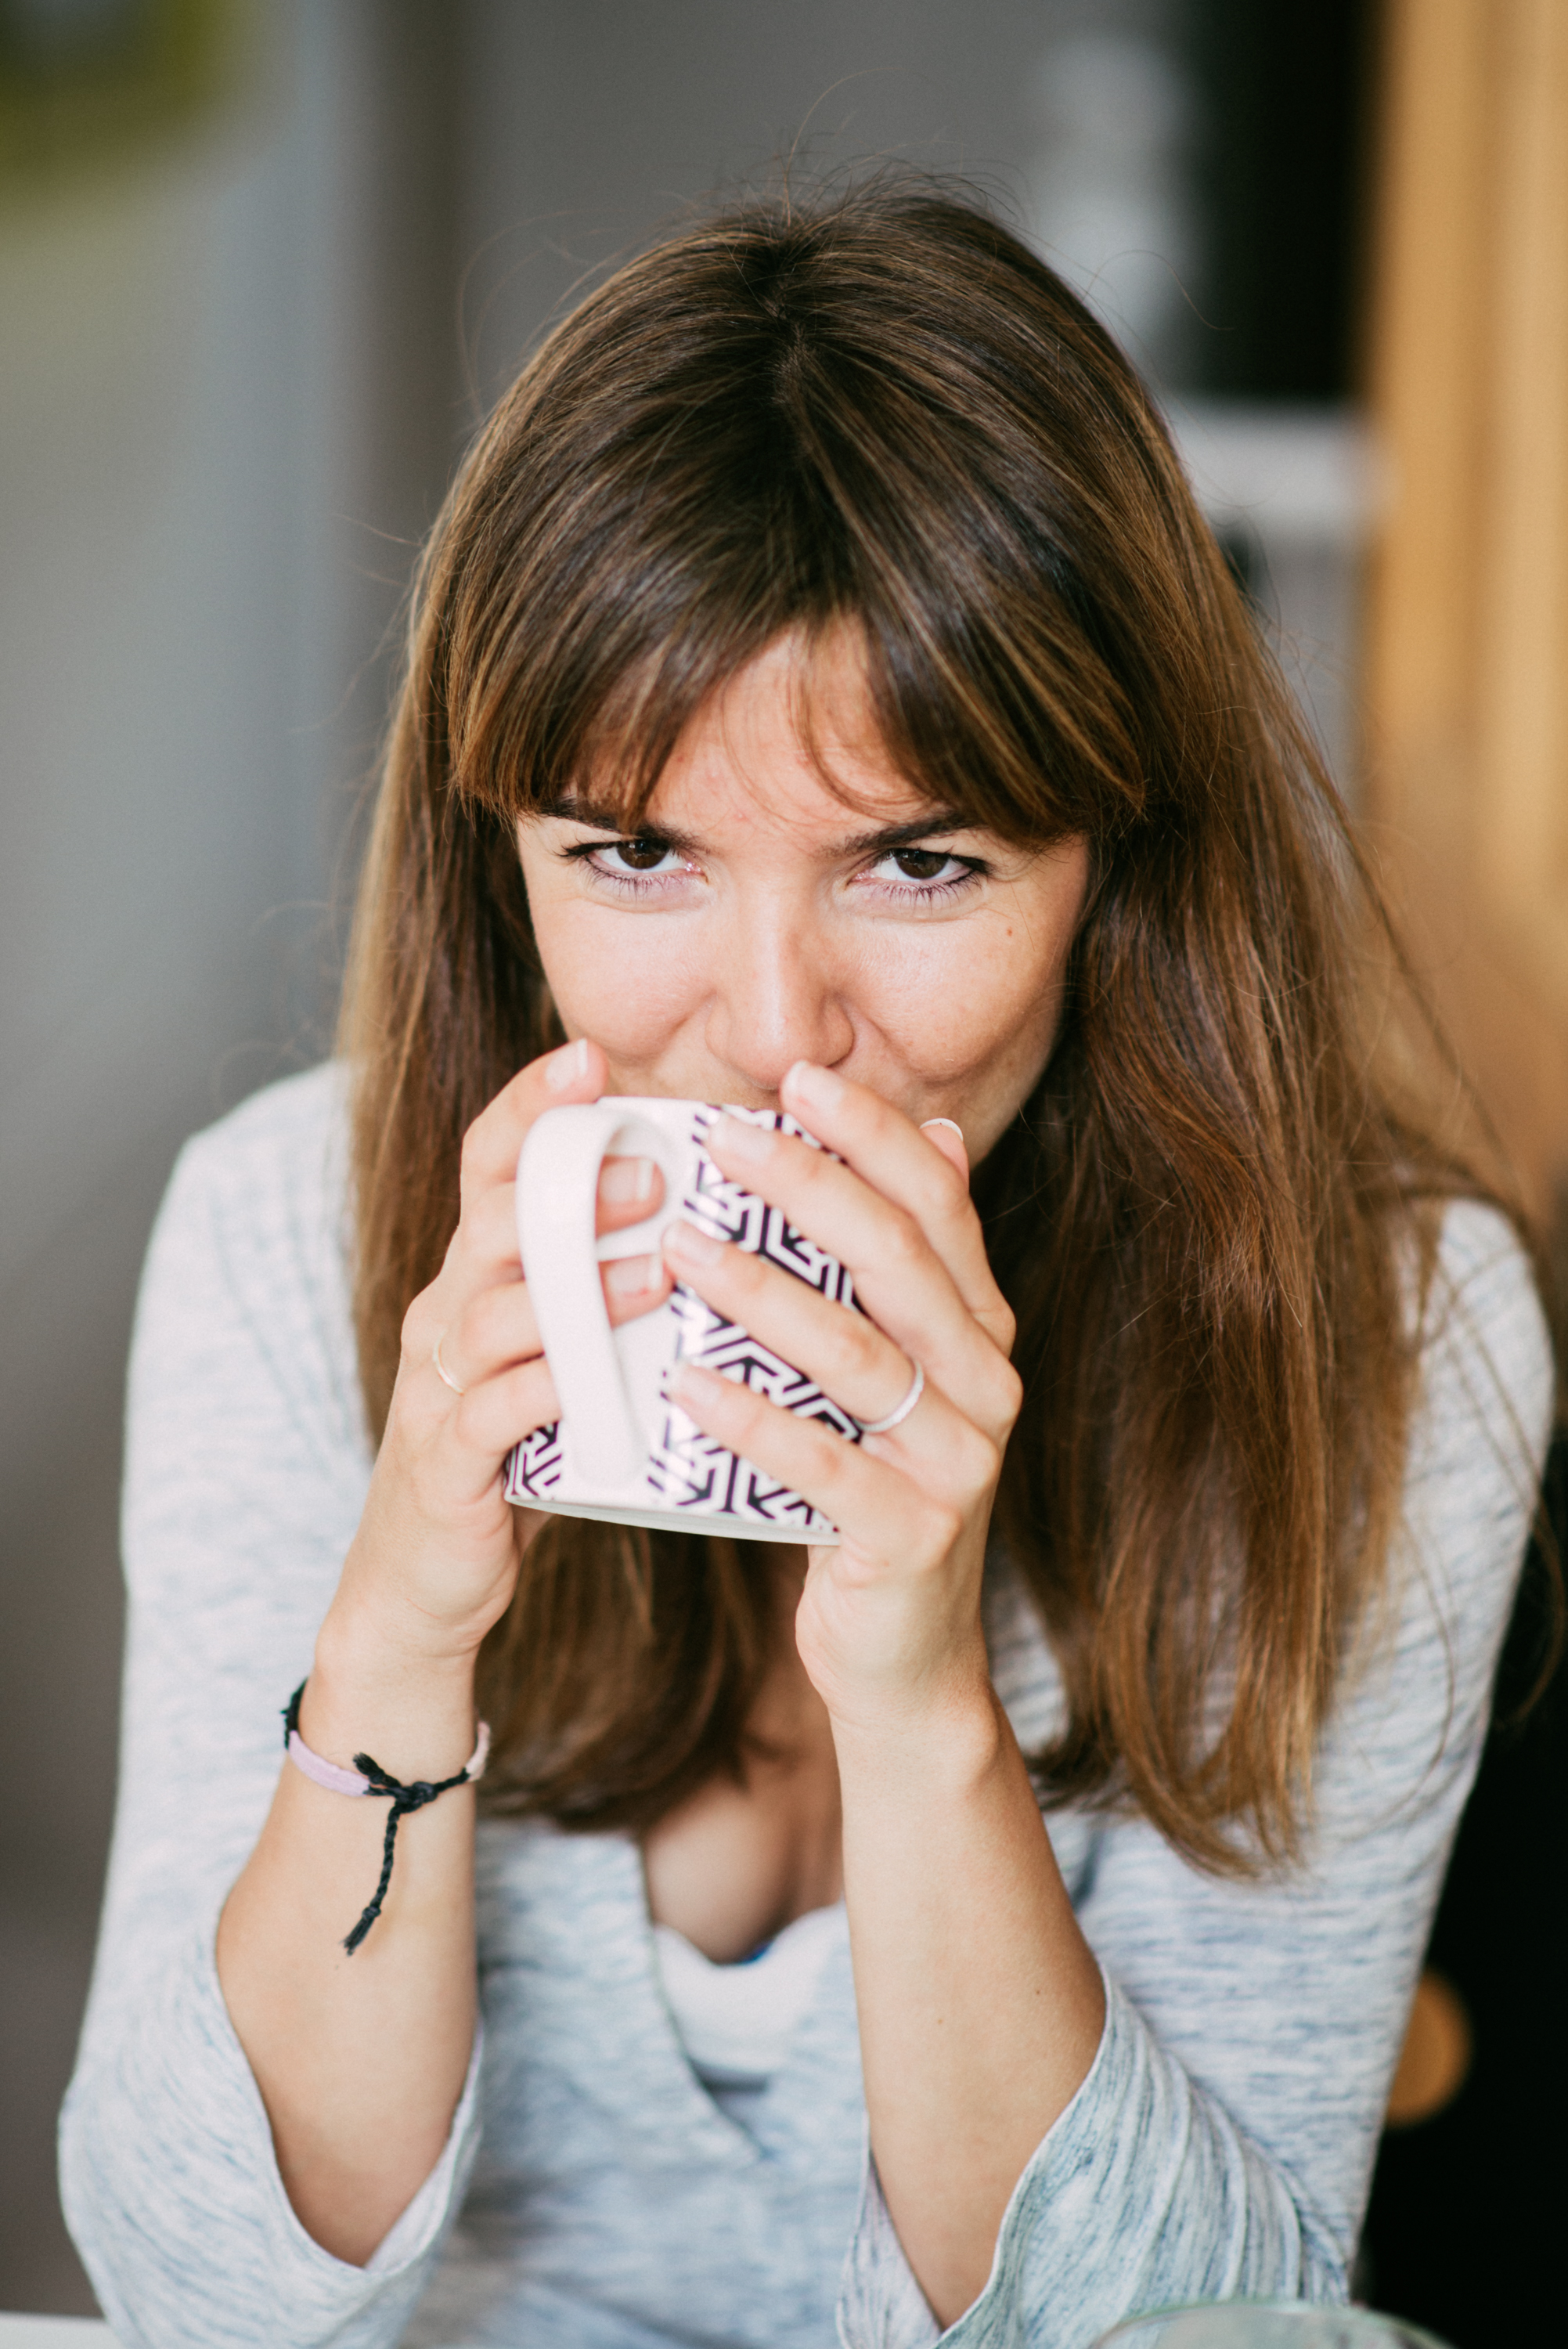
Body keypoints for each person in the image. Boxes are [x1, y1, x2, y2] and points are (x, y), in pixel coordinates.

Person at [61, 183, 1555, 2349]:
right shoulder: (286, 1242)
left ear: (1118, 865)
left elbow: (1205, 2325)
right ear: (501, 863)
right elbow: (190, 2295)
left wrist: (920, 1700)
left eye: (918, 862)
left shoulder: (1387, 1342)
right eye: (636, 853)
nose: (772, 1034)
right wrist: (399, 1625)